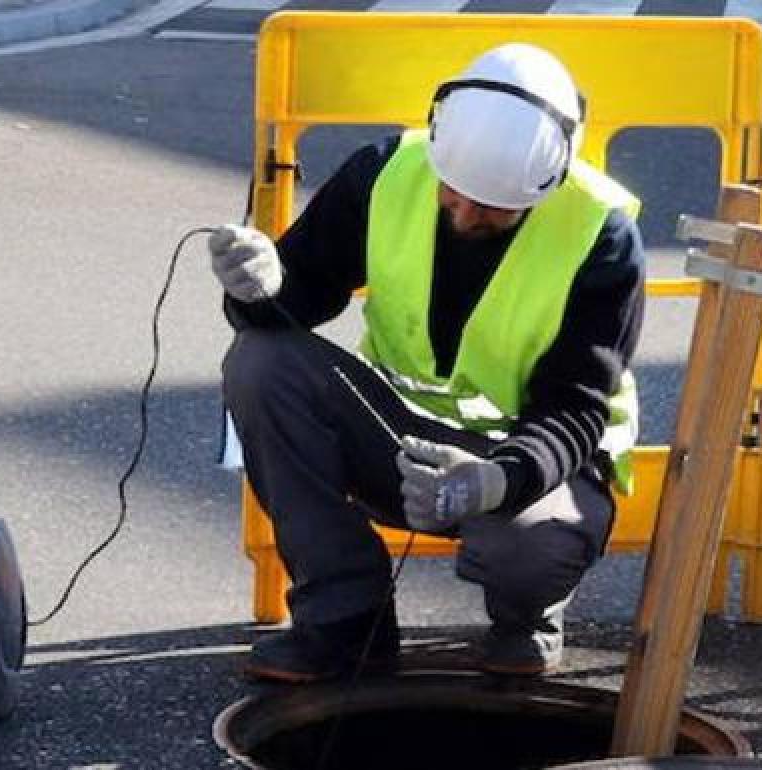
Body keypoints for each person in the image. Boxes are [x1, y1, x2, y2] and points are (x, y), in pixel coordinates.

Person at [210, 42, 646, 683]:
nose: (466, 215)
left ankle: (525, 620)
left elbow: (576, 410)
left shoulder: (600, 235)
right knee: (261, 365)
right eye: (455, 192)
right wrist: (259, 288)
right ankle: (345, 624)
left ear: (547, 184)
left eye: (495, 205)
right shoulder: (387, 174)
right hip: (400, 439)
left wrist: (497, 479)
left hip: (530, 471)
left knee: (532, 549)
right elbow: (292, 305)